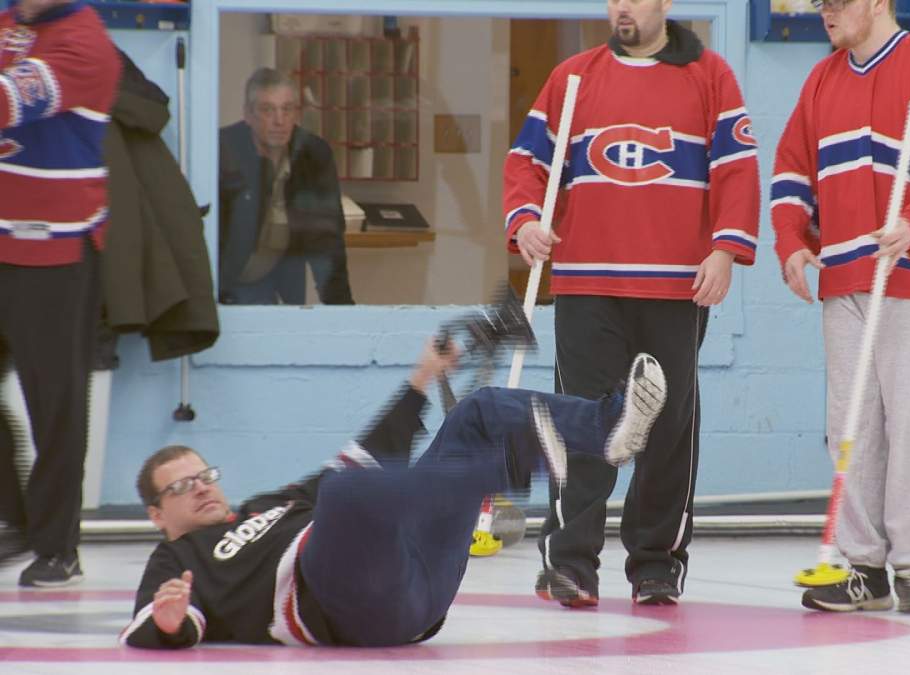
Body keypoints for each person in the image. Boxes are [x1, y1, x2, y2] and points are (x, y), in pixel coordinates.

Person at [119, 339, 668, 648]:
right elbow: (146, 627)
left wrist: (421, 380)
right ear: (156, 513)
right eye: (182, 486)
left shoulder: (266, 505)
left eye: (204, 475)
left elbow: (364, 455)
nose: (202, 489)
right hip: (347, 606)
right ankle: (518, 464)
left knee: (477, 411)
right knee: (346, 495)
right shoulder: (177, 556)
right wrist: (170, 622)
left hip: (419, 578)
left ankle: (603, 430)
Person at [504, 0, 759, 607]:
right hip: (587, 282)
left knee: (668, 428)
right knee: (582, 423)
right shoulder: (572, 77)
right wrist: (525, 222)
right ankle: (570, 562)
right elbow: (527, 162)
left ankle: (656, 563)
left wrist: (725, 249)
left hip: (675, 286)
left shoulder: (710, 76)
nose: (620, 6)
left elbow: (737, 168)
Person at [771, 0, 910, 612]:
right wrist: (792, 242)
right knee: (852, 428)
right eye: (820, 3)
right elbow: (791, 174)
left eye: (836, 2)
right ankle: (865, 568)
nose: (824, 12)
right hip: (846, 278)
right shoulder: (821, 81)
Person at [0, 0, 121, 587]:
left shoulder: (86, 44)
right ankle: (12, 517)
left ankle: (57, 545)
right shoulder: (9, 19)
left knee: (55, 403)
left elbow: (9, 99)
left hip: (55, 249)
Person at [218, 67, 354, 305]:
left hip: (279, 276)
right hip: (226, 279)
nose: (279, 121)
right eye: (267, 110)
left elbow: (327, 241)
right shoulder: (224, 149)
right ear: (248, 115)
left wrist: (342, 312)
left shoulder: (313, 154)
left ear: (296, 114)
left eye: (287, 109)